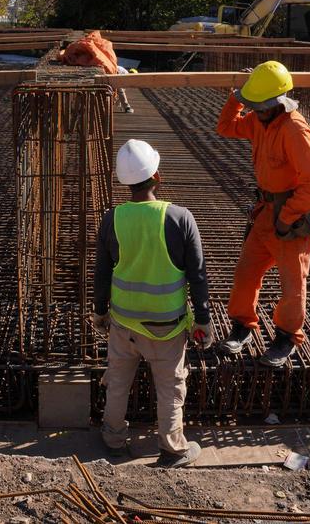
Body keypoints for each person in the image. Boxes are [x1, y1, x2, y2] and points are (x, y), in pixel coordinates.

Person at [93, 139, 212, 468]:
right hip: (167, 329)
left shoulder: (112, 219)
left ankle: (113, 440)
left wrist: (100, 312)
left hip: (124, 325)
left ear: (124, 181)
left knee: (117, 381)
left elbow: (101, 274)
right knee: (171, 387)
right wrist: (203, 319)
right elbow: (198, 275)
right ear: (156, 176)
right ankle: (172, 448)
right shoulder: (180, 218)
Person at [215, 61, 310, 366]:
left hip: (292, 217)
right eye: (255, 106)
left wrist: (287, 217)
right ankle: (242, 326)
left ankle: (286, 337)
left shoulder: (294, 129)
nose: (257, 112)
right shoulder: (257, 120)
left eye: (261, 106)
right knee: (246, 273)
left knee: (293, 286)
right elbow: (225, 127)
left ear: (279, 102)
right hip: (266, 212)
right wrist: (238, 97)